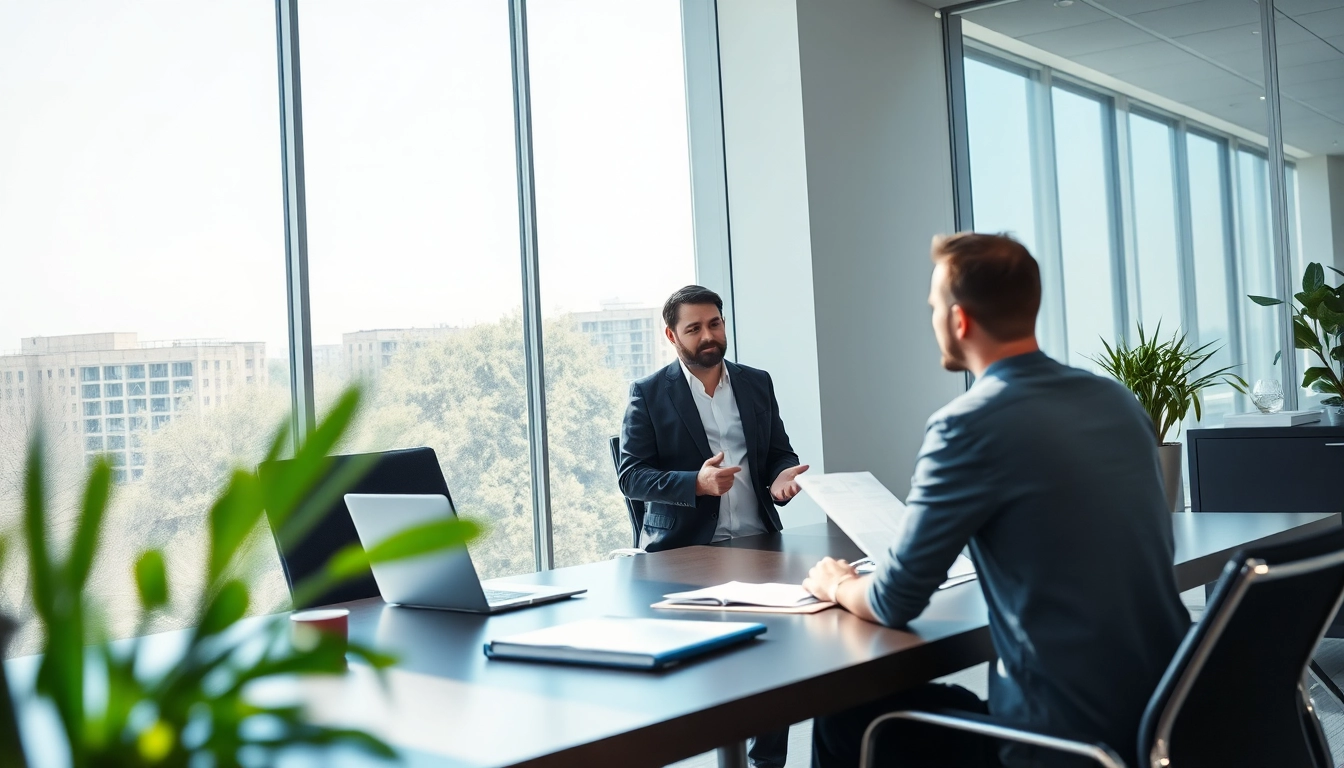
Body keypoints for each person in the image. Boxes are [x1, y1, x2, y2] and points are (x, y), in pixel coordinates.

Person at [802, 233, 1190, 768]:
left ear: (959, 320)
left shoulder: (966, 425)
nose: (932, 319)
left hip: (1062, 744)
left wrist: (837, 583)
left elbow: (894, 601)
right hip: (1167, 717)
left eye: (933, 307)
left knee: (845, 715)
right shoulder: (1117, 401)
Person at [618, 284, 809, 768]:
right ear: (671, 335)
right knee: (716, 673)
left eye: (715, 323)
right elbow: (631, 476)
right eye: (694, 328)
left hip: (759, 545)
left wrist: (782, 475)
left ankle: (767, 763)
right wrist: (696, 484)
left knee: (774, 664)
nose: (708, 336)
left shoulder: (755, 382)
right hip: (685, 555)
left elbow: (778, 452)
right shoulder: (649, 393)